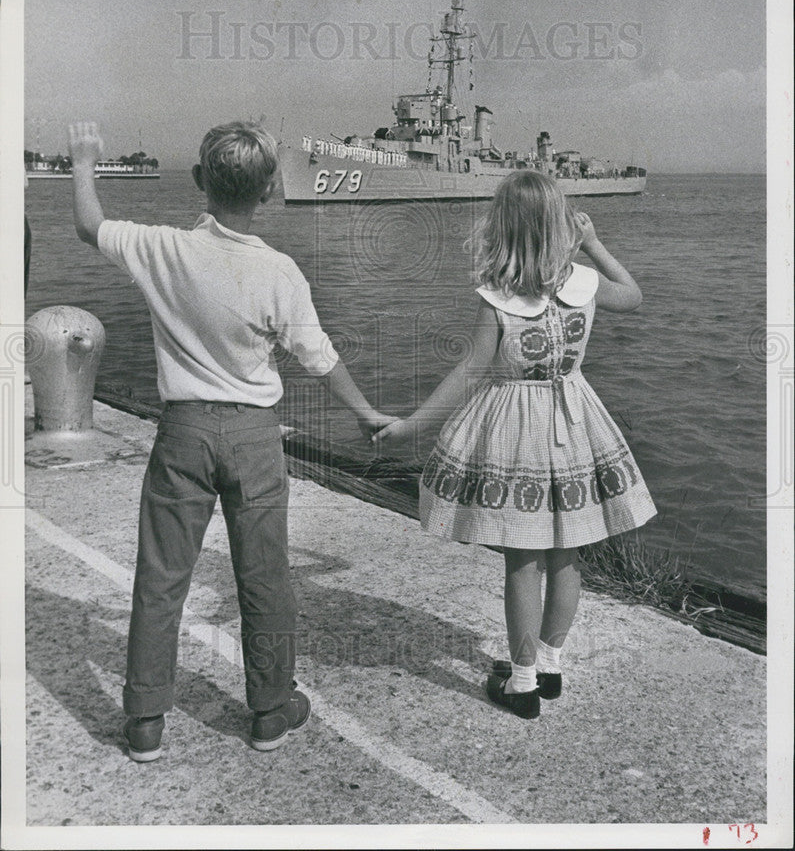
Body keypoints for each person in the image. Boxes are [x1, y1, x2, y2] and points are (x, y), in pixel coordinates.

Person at [67, 120, 396, 760]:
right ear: (271, 189)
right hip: (253, 439)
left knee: (161, 577)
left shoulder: (160, 248)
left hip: (182, 433)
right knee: (265, 577)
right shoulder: (281, 272)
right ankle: (271, 710)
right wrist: (364, 413)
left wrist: (84, 162)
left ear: (197, 181)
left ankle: (144, 721)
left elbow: (89, 224)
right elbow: (318, 357)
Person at [374, 171, 656, 720]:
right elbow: (636, 296)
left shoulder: (496, 299)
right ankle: (549, 667)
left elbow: (470, 372)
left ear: (501, 228)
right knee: (566, 554)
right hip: (575, 422)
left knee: (522, 562)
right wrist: (593, 244)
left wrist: (413, 425)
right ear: (561, 227)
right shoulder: (583, 282)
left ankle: (522, 683)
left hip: (513, 430)